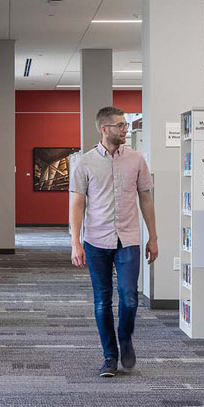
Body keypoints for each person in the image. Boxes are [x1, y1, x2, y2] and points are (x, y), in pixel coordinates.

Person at [69, 105, 158, 378]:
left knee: (129, 297)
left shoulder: (137, 160)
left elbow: (146, 199)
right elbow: (77, 203)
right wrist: (75, 242)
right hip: (96, 240)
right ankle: (110, 356)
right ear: (104, 129)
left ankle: (125, 337)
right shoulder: (84, 162)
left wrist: (153, 237)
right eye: (120, 125)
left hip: (128, 238)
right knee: (102, 301)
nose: (125, 129)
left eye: (125, 125)